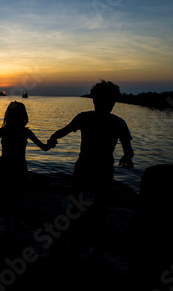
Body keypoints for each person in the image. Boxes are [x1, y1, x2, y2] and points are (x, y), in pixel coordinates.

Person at [48, 81, 134, 244]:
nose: (104, 104)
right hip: (98, 168)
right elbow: (128, 150)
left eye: (106, 101)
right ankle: (91, 241)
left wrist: (53, 137)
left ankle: (79, 238)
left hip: (90, 167)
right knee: (96, 206)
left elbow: (63, 131)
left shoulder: (89, 118)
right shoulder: (115, 122)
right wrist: (128, 157)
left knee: (83, 204)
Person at [0, 101, 54, 232]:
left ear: (8, 115)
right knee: (17, 200)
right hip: (19, 168)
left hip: (4, 167)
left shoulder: (3, 130)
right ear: (23, 115)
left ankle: (8, 228)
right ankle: (15, 228)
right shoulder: (26, 132)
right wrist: (52, 142)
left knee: (6, 200)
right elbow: (44, 148)